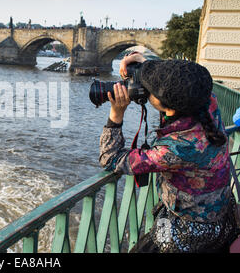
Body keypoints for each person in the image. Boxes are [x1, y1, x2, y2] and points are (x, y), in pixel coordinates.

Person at [99, 53, 239, 253]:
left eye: (151, 91)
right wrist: (146, 67)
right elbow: (185, 79)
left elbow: (110, 158)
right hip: (221, 218)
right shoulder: (206, 101)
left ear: (170, 111)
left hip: (186, 233)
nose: (146, 91)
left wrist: (116, 113)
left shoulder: (175, 147)